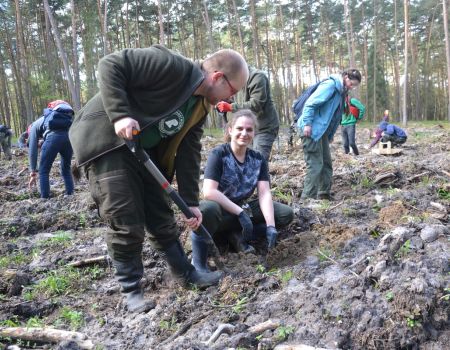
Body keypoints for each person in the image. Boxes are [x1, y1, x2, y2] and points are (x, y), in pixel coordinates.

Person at [68, 45, 249, 313]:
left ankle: (186, 274)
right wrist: (120, 115)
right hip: (108, 142)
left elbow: (189, 152)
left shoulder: (199, 107)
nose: (231, 98)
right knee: (125, 217)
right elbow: (110, 64)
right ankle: (131, 291)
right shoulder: (171, 65)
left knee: (160, 214)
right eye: (232, 90)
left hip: (144, 153)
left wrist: (190, 202)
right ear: (218, 77)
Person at [190, 110, 294, 272]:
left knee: (284, 213)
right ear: (230, 130)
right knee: (206, 210)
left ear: (254, 132)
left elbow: (264, 193)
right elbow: (209, 192)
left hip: (244, 208)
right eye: (239, 128)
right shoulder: (219, 154)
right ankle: (199, 262)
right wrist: (240, 213)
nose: (244, 133)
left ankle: (238, 235)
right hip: (221, 211)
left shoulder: (258, 159)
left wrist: (271, 226)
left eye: (249, 129)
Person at [297, 68, 362, 200]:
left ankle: (323, 194)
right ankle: (307, 199)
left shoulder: (341, 92)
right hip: (311, 130)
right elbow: (310, 104)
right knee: (315, 164)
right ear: (345, 77)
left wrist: (330, 135)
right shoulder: (330, 85)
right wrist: (307, 124)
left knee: (326, 163)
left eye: (354, 86)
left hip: (322, 133)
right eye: (352, 83)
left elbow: (334, 116)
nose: (352, 87)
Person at [216, 66, 280, 161]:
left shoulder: (257, 77)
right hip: (243, 127)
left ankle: (260, 175)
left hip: (263, 127)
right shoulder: (233, 81)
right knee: (242, 160)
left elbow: (256, 104)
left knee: (258, 161)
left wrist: (230, 107)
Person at [28, 100, 75, 199]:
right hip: (69, 138)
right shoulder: (66, 119)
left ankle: (45, 198)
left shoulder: (34, 125)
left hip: (53, 139)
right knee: (66, 169)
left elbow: (33, 150)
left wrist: (33, 171)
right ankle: (70, 194)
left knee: (44, 170)